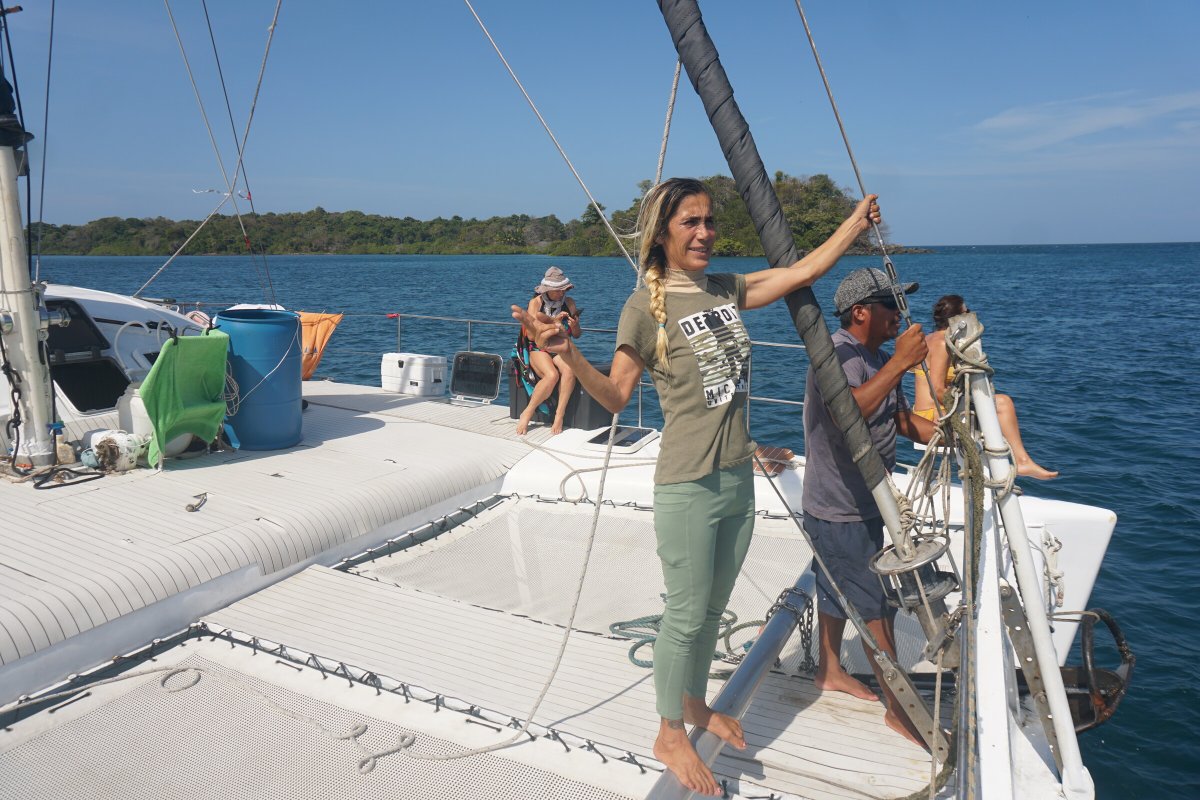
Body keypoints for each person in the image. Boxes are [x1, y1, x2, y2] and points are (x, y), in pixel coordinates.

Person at [514, 177, 881, 796]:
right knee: (684, 616)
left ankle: (693, 703)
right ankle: (667, 731)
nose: (705, 233)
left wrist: (853, 224)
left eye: (709, 221)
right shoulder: (643, 305)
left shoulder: (723, 289)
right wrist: (571, 356)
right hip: (686, 483)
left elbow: (798, 273)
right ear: (663, 232)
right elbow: (616, 396)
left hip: (736, 474)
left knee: (712, 609)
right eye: (690, 223)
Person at [801, 267, 935, 747]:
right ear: (861, 312)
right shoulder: (834, 356)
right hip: (840, 506)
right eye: (890, 304)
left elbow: (896, 416)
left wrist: (949, 437)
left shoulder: (876, 356)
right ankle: (899, 709)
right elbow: (849, 409)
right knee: (875, 605)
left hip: (867, 498)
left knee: (836, 588)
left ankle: (830, 670)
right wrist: (901, 363)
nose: (900, 313)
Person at [913, 294, 1057, 479]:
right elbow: (936, 390)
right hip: (934, 415)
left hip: (929, 411)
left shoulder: (931, 338)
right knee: (1003, 404)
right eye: (968, 311)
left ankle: (1020, 461)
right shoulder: (942, 343)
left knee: (992, 404)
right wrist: (969, 402)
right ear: (960, 318)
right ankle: (1021, 462)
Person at [515, 266, 582, 435]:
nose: (562, 293)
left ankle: (560, 414)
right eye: (558, 290)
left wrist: (575, 326)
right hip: (538, 346)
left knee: (569, 370)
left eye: (564, 290)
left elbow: (577, 335)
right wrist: (553, 323)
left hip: (559, 346)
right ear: (548, 290)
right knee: (552, 375)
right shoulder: (535, 303)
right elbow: (530, 335)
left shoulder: (570, 303)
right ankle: (528, 412)